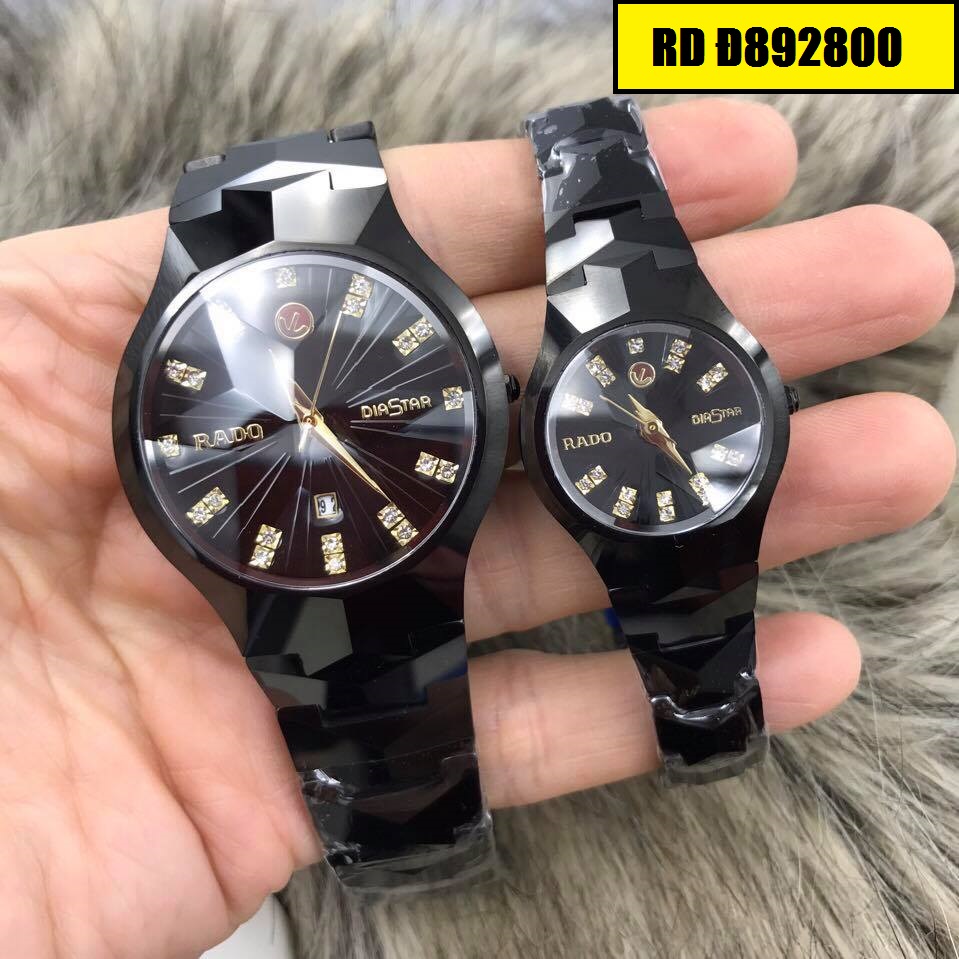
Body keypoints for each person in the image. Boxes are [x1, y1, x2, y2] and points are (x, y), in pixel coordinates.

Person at [0, 99, 954, 958]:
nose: (311, 421)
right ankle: (409, 844)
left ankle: (410, 843)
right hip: (281, 562)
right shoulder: (171, 424)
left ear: (500, 404)